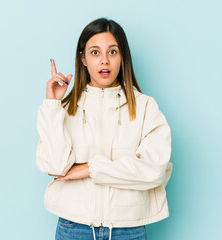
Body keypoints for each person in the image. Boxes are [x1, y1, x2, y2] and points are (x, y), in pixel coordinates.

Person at [36, 17, 173, 240]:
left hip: (128, 229)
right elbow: (55, 165)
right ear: (83, 59)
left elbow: (154, 170)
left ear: (122, 57)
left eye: (112, 52)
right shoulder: (65, 108)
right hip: (74, 227)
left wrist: (91, 168)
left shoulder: (146, 107)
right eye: (95, 52)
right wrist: (52, 105)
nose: (104, 61)